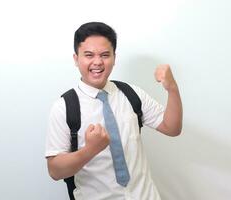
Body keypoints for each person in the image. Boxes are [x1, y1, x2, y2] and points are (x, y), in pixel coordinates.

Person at [45, 22, 183, 200]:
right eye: (89, 55)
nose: (97, 62)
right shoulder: (64, 107)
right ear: (76, 58)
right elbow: (55, 171)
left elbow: (171, 128)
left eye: (105, 55)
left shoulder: (131, 93)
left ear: (114, 57)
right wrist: (90, 150)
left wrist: (172, 89)